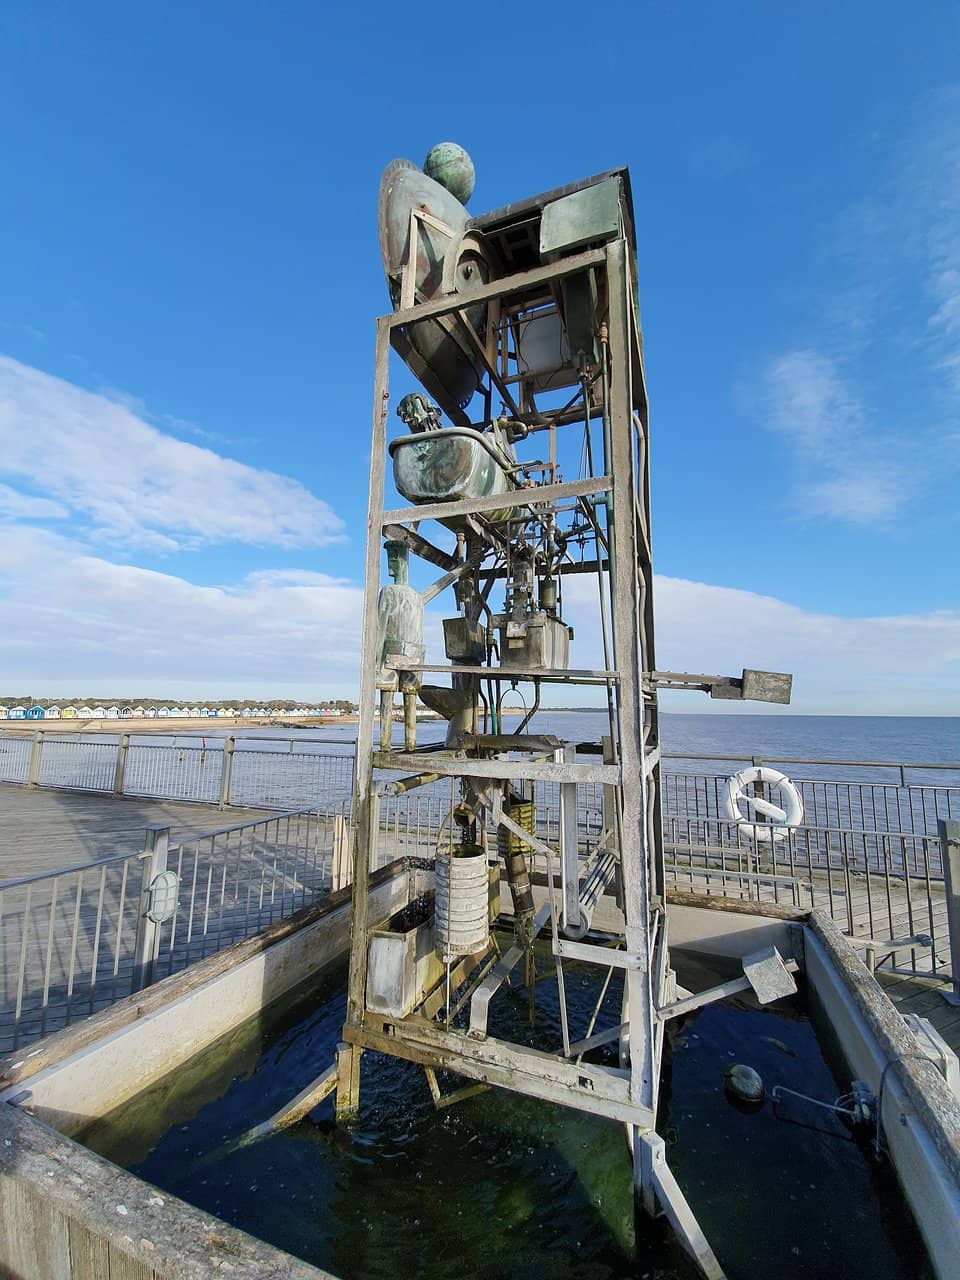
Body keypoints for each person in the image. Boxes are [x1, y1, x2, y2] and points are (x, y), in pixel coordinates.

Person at [376, 540, 424, 750]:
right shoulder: (417, 597)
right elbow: (419, 629)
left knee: (387, 697)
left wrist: (375, 660)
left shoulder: (388, 591)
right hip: (415, 653)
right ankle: (410, 744)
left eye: (394, 558)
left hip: (391, 651)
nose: (390, 566)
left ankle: (385, 744)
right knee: (410, 698)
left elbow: (380, 626)